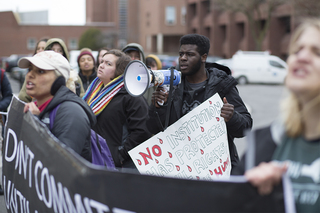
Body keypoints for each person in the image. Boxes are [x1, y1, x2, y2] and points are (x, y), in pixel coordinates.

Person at [233, 19, 320, 213]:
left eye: (317, 53)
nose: (302, 57)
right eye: (297, 50)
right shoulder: (269, 141)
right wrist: (255, 195)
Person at [146, 34, 253, 171]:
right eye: (181, 54)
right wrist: (157, 108)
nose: (183, 58)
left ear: (203, 57)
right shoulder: (172, 87)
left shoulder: (222, 85)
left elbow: (246, 127)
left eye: (190, 54)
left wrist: (232, 117)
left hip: (216, 170)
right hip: (182, 170)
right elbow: (153, 129)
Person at [18, 50, 96, 162]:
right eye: (30, 69)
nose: (30, 74)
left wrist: (34, 123)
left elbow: (61, 165)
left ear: (59, 80)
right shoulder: (35, 108)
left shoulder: (71, 113)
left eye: (40, 71)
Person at [83, 49, 151, 169]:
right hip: (95, 158)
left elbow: (142, 131)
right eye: (102, 61)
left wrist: (120, 156)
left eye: (108, 64)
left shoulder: (131, 95)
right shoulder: (94, 90)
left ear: (119, 71)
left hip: (117, 165)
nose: (101, 66)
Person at [18, 38, 85, 102]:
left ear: (64, 54)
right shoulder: (34, 74)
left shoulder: (72, 75)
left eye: (59, 50)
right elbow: (23, 98)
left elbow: (82, 98)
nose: (55, 53)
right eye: (52, 50)